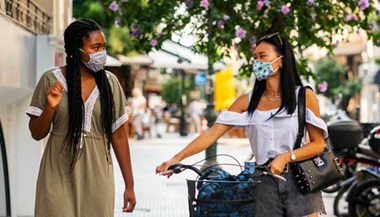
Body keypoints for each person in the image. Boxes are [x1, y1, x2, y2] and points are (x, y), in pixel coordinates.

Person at [156, 32, 328, 217]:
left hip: (301, 181)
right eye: (255, 57)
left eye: (263, 56)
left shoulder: (303, 97)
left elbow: (318, 144)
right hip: (264, 183)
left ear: (281, 61)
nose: (257, 62)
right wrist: (177, 157)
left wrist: (287, 157)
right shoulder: (247, 102)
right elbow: (211, 134)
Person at [26, 18, 136, 216]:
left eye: (103, 46)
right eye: (95, 47)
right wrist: (50, 108)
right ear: (77, 50)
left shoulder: (110, 84)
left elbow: (119, 137)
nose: (101, 53)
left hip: (98, 174)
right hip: (57, 172)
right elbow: (36, 133)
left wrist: (130, 185)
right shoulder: (50, 80)